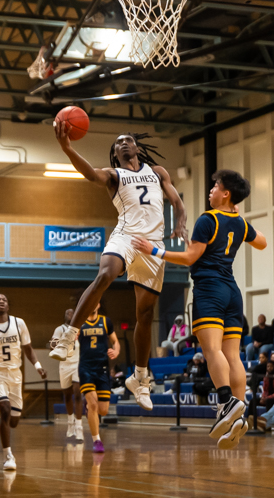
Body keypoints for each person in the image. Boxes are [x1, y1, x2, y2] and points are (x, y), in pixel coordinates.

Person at [47, 126, 187, 414]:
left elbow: (176, 200)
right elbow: (89, 174)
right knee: (106, 274)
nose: (124, 144)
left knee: (145, 315)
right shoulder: (114, 176)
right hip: (125, 236)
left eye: (128, 140)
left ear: (136, 148)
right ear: (115, 153)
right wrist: (67, 148)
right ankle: (70, 335)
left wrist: (181, 221)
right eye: (118, 143)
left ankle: (140, 378)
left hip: (153, 244)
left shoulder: (158, 172)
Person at [133, 169, 267, 449]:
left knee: (212, 352)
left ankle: (225, 403)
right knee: (233, 355)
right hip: (232, 292)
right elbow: (262, 243)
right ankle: (239, 413)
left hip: (209, 291)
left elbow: (191, 257)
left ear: (225, 193)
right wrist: (237, 217)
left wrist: (154, 251)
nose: (211, 190)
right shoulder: (239, 222)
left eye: (216, 186)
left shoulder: (208, 218)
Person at [0, 294, 47, 470]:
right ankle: (8, 456)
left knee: (13, 422)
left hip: (15, 375)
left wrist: (38, 366)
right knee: (6, 408)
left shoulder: (19, 323)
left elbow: (28, 348)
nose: (2, 301)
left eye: (5, 299)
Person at [78, 304, 120, 452]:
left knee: (103, 410)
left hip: (102, 368)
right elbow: (70, 340)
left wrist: (116, 351)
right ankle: (97, 441)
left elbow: (115, 341)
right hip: (86, 368)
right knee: (93, 405)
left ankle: (89, 408)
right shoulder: (79, 322)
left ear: (99, 304)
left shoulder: (106, 321)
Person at [51, 309, 83, 441]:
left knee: (77, 392)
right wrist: (58, 344)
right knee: (67, 395)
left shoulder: (80, 329)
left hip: (77, 363)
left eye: (72, 312)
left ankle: (79, 427)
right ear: (64, 316)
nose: (70, 313)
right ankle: (70, 423)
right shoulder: (60, 329)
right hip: (64, 365)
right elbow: (52, 344)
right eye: (67, 312)